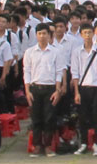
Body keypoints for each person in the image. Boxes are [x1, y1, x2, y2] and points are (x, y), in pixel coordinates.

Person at [23, 23, 68, 156]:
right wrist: (27, 91)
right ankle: (37, 145)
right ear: (36, 35)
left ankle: (48, 145)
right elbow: (27, 72)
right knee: (36, 118)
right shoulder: (29, 52)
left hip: (50, 89)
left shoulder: (55, 52)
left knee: (49, 118)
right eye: (39, 34)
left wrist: (58, 90)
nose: (42, 36)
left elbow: (59, 71)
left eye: (45, 34)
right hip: (35, 88)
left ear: (49, 35)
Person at [71, 21, 97, 154]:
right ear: (81, 35)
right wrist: (76, 92)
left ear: (93, 34)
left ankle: (96, 144)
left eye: (89, 32)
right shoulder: (77, 52)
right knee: (82, 116)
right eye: (85, 33)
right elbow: (75, 73)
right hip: (83, 87)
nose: (87, 35)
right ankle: (83, 143)